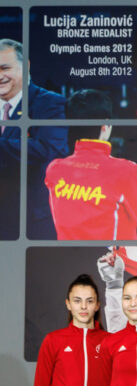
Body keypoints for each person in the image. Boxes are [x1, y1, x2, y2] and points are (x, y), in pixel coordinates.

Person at [44, 90, 137, 241]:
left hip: (66, 254)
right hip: (115, 255)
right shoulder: (127, 171)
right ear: (105, 125)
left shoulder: (54, 169)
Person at [0, 38, 67, 239]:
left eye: (5, 68)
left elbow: (49, 150)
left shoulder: (50, 104)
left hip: (31, 223)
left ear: (26, 66)